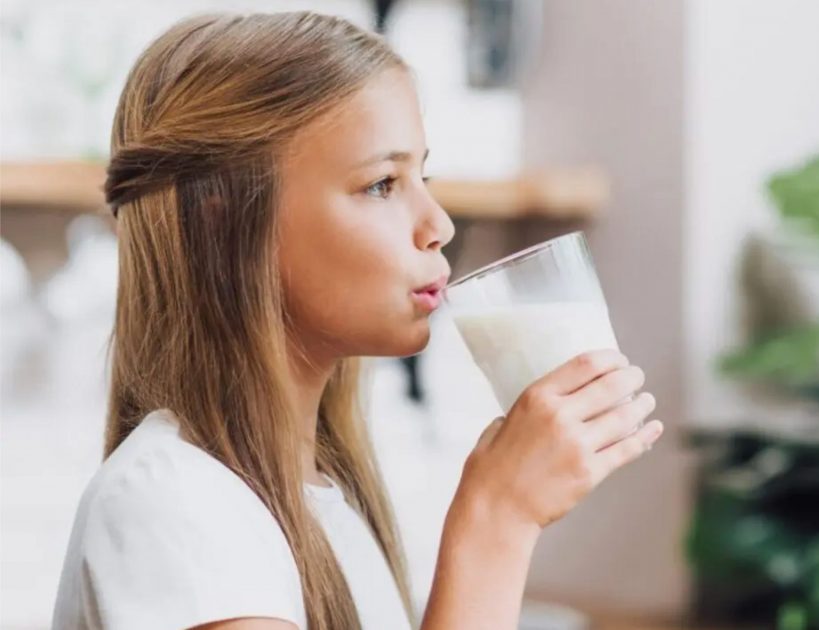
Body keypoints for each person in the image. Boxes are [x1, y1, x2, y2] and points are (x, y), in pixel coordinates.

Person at [52, 12, 662, 630]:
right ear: (223, 220)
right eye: (380, 185)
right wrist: (498, 520)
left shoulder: (321, 498)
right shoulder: (170, 500)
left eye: (421, 176)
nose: (440, 227)